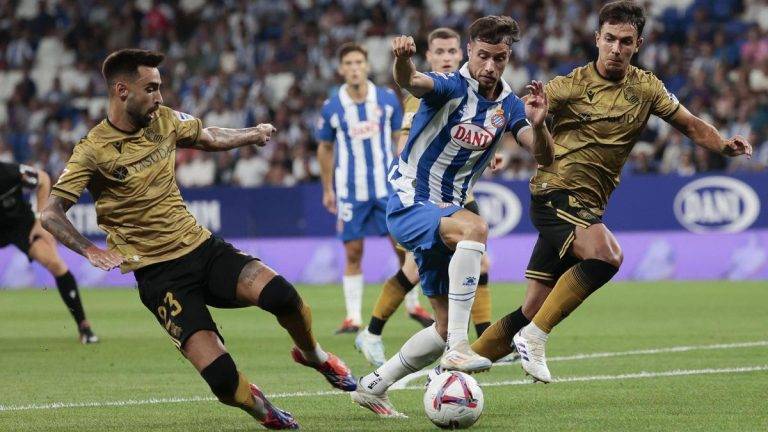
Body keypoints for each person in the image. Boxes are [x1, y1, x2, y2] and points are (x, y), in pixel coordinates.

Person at [41, 49, 357, 430]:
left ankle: (314, 355)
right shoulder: (92, 151)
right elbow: (50, 212)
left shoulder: (164, 119)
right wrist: (89, 249)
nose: (159, 96)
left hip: (202, 249)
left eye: (160, 87)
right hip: (160, 278)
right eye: (151, 88)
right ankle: (265, 412)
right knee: (223, 382)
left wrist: (251, 135)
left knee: (282, 296)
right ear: (122, 90)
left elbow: (206, 135)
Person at [469, 0, 752, 384]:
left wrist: (722, 146)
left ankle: (453, 366)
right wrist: (488, 154)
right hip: (555, 193)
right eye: (609, 39)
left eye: (625, 41)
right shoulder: (568, 85)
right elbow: (516, 117)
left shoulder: (647, 87)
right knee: (608, 255)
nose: (616, 48)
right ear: (596, 39)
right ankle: (535, 339)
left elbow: (689, 124)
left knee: (532, 307)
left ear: (638, 43)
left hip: (588, 205)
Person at [350, 16, 555, 417]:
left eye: (499, 58)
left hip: (447, 214)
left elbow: (542, 154)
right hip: (411, 202)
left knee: (440, 325)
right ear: (469, 52)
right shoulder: (452, 86)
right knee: (476, 227)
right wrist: (402, 61)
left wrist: (540, 124)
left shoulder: (509, 104)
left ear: (508, 57)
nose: (490, 66)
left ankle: (373, 386)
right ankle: (459, 348)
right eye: (483, 56)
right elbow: (413, 82)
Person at [354, 27, 501, 367]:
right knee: (414, 269)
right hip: (424, 196)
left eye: (452, 52)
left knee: (480, 262)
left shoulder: (473, 96)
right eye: (440, 52)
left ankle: (482, 341)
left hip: (459, 194)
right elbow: (405, 146)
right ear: (430, 57)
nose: (448, 58)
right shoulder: (422, 95)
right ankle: (372, 331)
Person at [316, 43, 409, 334]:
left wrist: (403, 176)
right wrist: (328, 188)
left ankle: (413, 305)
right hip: (350, 190)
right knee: (353, 252)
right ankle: (353, 317)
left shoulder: (386, 99)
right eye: (349, 63)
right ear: (341, 69)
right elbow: (325, 148)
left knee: (402, 247)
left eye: (359, 62)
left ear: (367, 65)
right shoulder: (332, 107)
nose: (355, 68)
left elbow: (399, 138)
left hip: (386, 188)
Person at [0, 161, 98, 344]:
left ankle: (84, 327)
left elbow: (43, 179)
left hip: (20, 225)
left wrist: (40, 222)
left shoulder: (8, 172)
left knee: (55, 263)